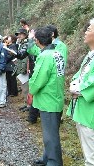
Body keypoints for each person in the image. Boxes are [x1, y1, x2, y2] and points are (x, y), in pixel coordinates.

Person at [29, 27, 65, 166]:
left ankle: (53, 162)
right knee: (51, 133)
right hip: (56, 97)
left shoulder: (45, 56)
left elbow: (38, 80)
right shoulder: (57, 52)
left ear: (37, 40)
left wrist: (31, 90)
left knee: (50, 136)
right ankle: (46, 158)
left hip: (48, 100)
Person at [66, 18, 94, 166]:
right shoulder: (90, 55)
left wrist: (77, 88)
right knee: (88, 153)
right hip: (83, 111)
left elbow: (90, 85)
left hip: (91, 114)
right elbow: (77, 77)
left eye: (89, 29)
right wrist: (75, 86)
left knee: (91, 158)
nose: (85, 32)